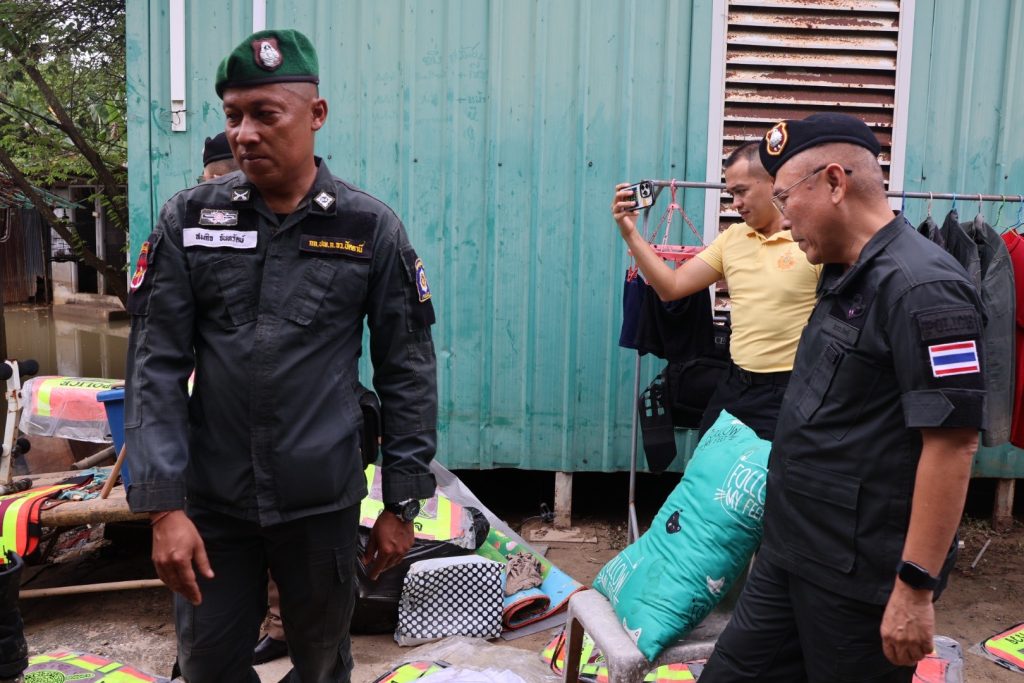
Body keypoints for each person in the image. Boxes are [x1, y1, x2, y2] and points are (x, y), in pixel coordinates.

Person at [124, 28, 438, 683]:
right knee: (206, 663)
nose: (245, 134)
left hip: (321, 501)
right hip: (213, 502)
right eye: (233, 116)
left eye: (266, 114)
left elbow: (407, 370)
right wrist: (163, 507)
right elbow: (155, 365)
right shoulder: (189, 220)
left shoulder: (367, 228)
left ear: (316, 114)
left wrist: (402, 503)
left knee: (321, 662)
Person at [698, 113, 985, 682]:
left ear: (834, 182)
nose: (783, 219)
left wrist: (914, 587)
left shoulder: (925, 288)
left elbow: (953, 445)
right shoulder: (842, 270)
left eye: (785, 198)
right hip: (791, 549)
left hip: (857, 578)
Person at [611, 142, 820, 440]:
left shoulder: (812, 242)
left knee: (767, 469)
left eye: (741, 191)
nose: (735, 203)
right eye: (731, 193)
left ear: (773, 182)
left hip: (789, 390)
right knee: (707, 462)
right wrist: (630, 234)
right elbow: (671, 288)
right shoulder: (732, 238)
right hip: (734, 385)